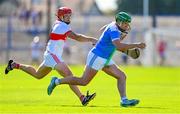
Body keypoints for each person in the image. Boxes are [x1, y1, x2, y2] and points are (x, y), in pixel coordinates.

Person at [47, 11, 146, 107]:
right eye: (125, 23)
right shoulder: (114, 29)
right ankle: (56, 81)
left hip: (106, 58)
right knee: (83, 81)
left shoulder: (114, 25)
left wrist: (104, 39)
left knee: (122, 76)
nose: (127, 25)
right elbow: (118, 46)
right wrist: (136, 45)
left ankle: (124, 100)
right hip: (97, 57)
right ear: (119, 22)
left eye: (127, 23)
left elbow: (103, 30)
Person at [5, 7, 97, 106]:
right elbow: (77, 37)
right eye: (67, 16)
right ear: (61, 17)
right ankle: (82, 98)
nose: (69, 18)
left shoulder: (58, 24)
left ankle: (15, 65)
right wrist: (92, 39)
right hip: (53, 56)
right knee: (69, 75)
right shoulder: (62, 26)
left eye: (70, 16)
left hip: (50, 55)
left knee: (37, 75)